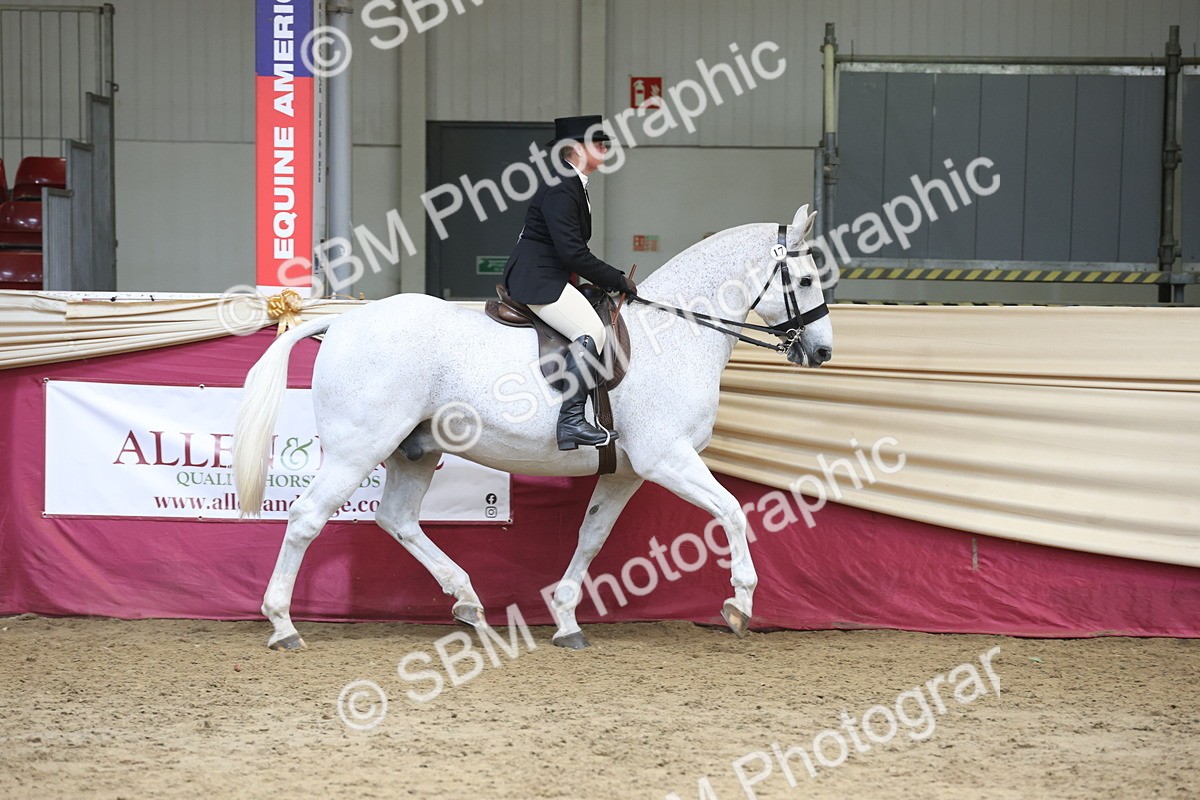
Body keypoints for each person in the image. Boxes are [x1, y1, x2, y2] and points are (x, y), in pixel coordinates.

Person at [502, 115, 637, 451]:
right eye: (598, 142)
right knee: (592, 332)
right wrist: (616, 278)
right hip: (538, 278)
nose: (605, 148)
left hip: (550, 272)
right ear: (577, 149)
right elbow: (573, 252)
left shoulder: (573, 183)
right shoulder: (563, 185)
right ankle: (571, 421)